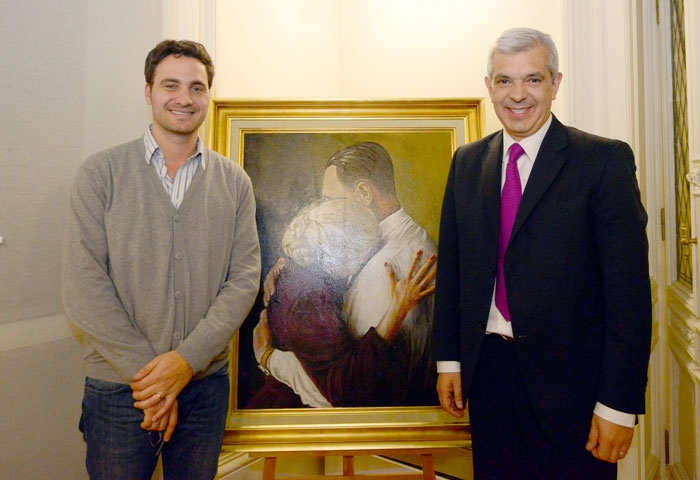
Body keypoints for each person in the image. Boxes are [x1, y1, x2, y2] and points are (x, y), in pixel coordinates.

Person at [432, 27, 652, 479]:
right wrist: (449, 360)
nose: (517, 95)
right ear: (489, 86)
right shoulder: (468, 162)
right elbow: (454, 271)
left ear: (555, 84)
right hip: (489, 377)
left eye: (532, 79)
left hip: (575, 388)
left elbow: (628, 297)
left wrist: (618, 405)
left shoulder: (603, 162)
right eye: (503, 80)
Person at [62, 39, 261, 480]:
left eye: (197, 87)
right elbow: (83, 287)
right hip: (118, 391)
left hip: (204, 388)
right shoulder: (101, 174)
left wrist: (185, 362)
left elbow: (243, 281)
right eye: (171, 84)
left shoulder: (235, 182)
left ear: (209, 96)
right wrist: (153, 383)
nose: (185, 98)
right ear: (148, 92)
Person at [262, 142, 439, 407]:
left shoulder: (382, 270)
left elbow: (351, 387)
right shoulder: (419, 240)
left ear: (364, 193)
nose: (324, 210)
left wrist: (270, 359)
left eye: (332, 201)